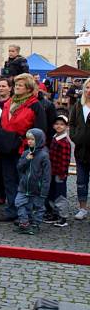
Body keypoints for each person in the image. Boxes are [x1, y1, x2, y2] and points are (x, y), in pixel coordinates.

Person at [0, 73, 47, 222]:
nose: (17, 87)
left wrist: (32, 148)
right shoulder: (9, 102)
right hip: (7, 148)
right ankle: (12, 208)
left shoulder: (34, 105)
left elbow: (40, 130)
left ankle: (24, 213)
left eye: (21, 85)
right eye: (16, 84)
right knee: (9, 180)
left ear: (28, 88)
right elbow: (3, 123)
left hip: (24, 150)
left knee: (24, 182)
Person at [15, 129, 50, 235]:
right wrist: (26, 159)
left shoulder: (44, 155)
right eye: (28, 139)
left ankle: (36, 224)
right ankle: (24, 222)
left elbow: (46, 175)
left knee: (38, 207)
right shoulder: (26, 153)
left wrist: (44, 191)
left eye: (32, 139)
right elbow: (19, 167)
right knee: (19, 202)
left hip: (37, 188)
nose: (29, 141)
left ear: (38, 140)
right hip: (24, 186)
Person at [69, 77, 90, 220]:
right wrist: (75, 137)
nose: (89, 90)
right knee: (81, 181)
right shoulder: (78, 105)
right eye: (87, 87)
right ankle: (82, 208)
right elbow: (72, 124)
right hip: (81, 149)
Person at [45, 115, 71, 228]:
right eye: (57, 124)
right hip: (52, 171)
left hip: (60, 173)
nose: (59, 126)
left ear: (66, 126)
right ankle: (54, 213)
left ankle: (63, 216)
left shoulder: (65, 142)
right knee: (52, 193)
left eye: (61, 124)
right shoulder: (55, 138)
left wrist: (62, 173)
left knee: (60, 195)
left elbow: (65, 160)